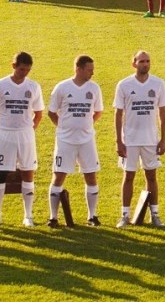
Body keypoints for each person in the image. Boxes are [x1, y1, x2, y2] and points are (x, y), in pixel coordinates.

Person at [0, 51, 43, 228]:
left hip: (25, 136)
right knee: (0, 173)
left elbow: (39, 113)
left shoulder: (33, 87)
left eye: (27, 70)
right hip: (5, 135)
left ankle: (28, 216)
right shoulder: (0, 85)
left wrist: (29, 129)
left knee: (28, 172)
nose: (24, 73)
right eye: (21, 69)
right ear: (14, 66)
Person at [114, 50, 165, 228]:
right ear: (134, 64)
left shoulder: (158, 83)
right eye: (141, 61)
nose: (145, 64)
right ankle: (124, 215)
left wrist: (163, 139)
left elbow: (163, 112)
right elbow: (118, 113)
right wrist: (119, 141)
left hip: (150, 140)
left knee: (151, 176)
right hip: (129, 140)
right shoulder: (124, 85)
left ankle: (155, 214)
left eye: (147, 61)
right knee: (128, 176)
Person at [47, 55, 104, 228]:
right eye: (89, 70)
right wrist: (63, 127)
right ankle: (53, 217)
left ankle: (92, 216)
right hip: (65, 140)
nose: (92, 73)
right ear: (78, 69)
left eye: (93, 70)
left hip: (87, 140)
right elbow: (51, 112)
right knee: (58, 176)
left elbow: (98, 111)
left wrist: (85, 126)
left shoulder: (94, 88)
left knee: (91, 175)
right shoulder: (62, 87)